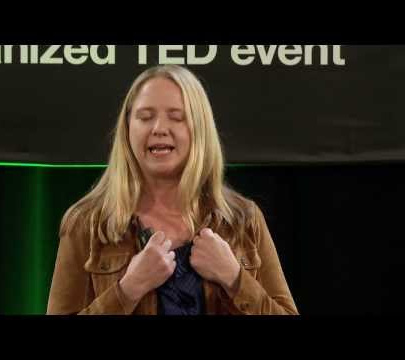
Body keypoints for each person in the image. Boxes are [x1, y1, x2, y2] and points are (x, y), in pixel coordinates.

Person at [46, 65, 298, 315]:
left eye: (177, 117)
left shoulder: (244, 220)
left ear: (199, 129)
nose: (158, 128)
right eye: (145, 117)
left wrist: (234, 279)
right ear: (127, 129)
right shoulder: (86, 224)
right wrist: (128, 290)